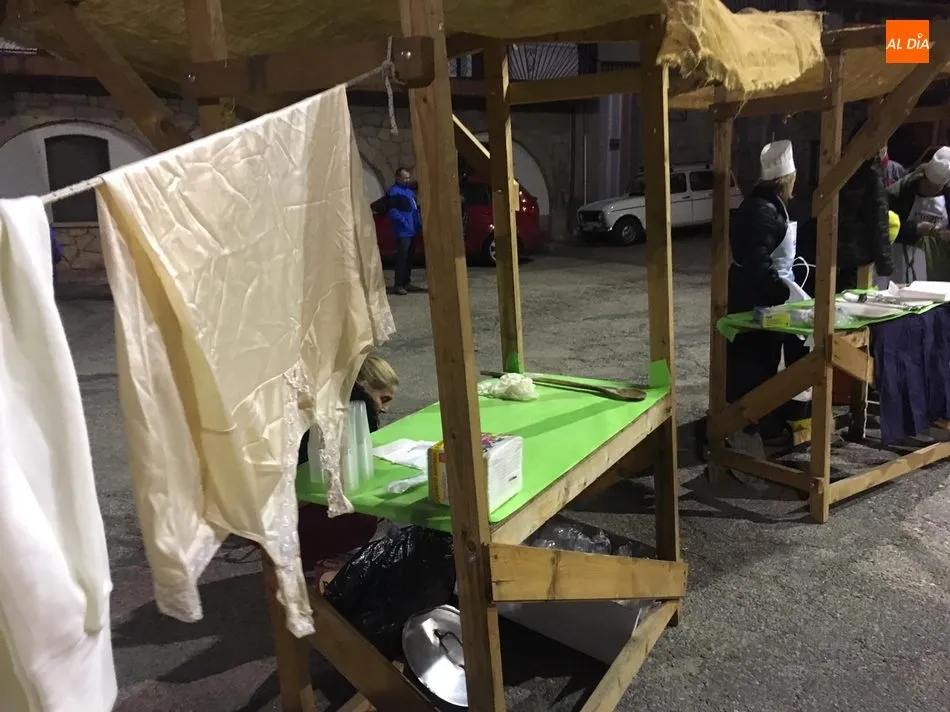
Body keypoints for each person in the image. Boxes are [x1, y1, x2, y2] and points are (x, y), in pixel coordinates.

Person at [726, 140, 810, 451]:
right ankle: (747, 430)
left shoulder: (764, 205)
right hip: (756, 299)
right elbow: (757, 261)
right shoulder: (763, 211)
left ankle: (758, 425)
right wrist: (779, 291)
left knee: (759, 366)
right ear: (787, 179)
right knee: (754, 367)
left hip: (759, 294)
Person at [297, 354, 399, 590]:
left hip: (291, 506)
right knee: (365, 515)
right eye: (383, 399)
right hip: (298, 512)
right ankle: (324, 563)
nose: (385, 408)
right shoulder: (351, 409)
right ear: (363, 387)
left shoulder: (329, 402)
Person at [836, 123, 893, 290]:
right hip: (859, 255)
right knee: (856, 297)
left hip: (836, 249)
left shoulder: (841, 166)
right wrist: (885, 264)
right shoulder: (872, 172)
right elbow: (878, 218)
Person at [887, 147, 950, 282]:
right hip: (899, 261)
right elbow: (884, 226)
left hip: (936, 265)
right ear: (923, 176)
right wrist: (916, 228)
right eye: (928, 186)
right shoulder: (902, 191)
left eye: (937, 188)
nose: (931, 191)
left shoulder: (947, 197)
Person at [387, 167, 425, 296]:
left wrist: (417, 224)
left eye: (408, 178)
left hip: (412, 229)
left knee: (409, 257)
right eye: (405, 178)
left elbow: (415, 209)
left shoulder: (409, 192)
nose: (407, 180)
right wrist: (404, 222)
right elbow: (392, 211)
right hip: (403, 231)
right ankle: (398, 284)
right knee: (402, 257)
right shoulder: (394, 192)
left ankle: (406, 282)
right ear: (398, 178)